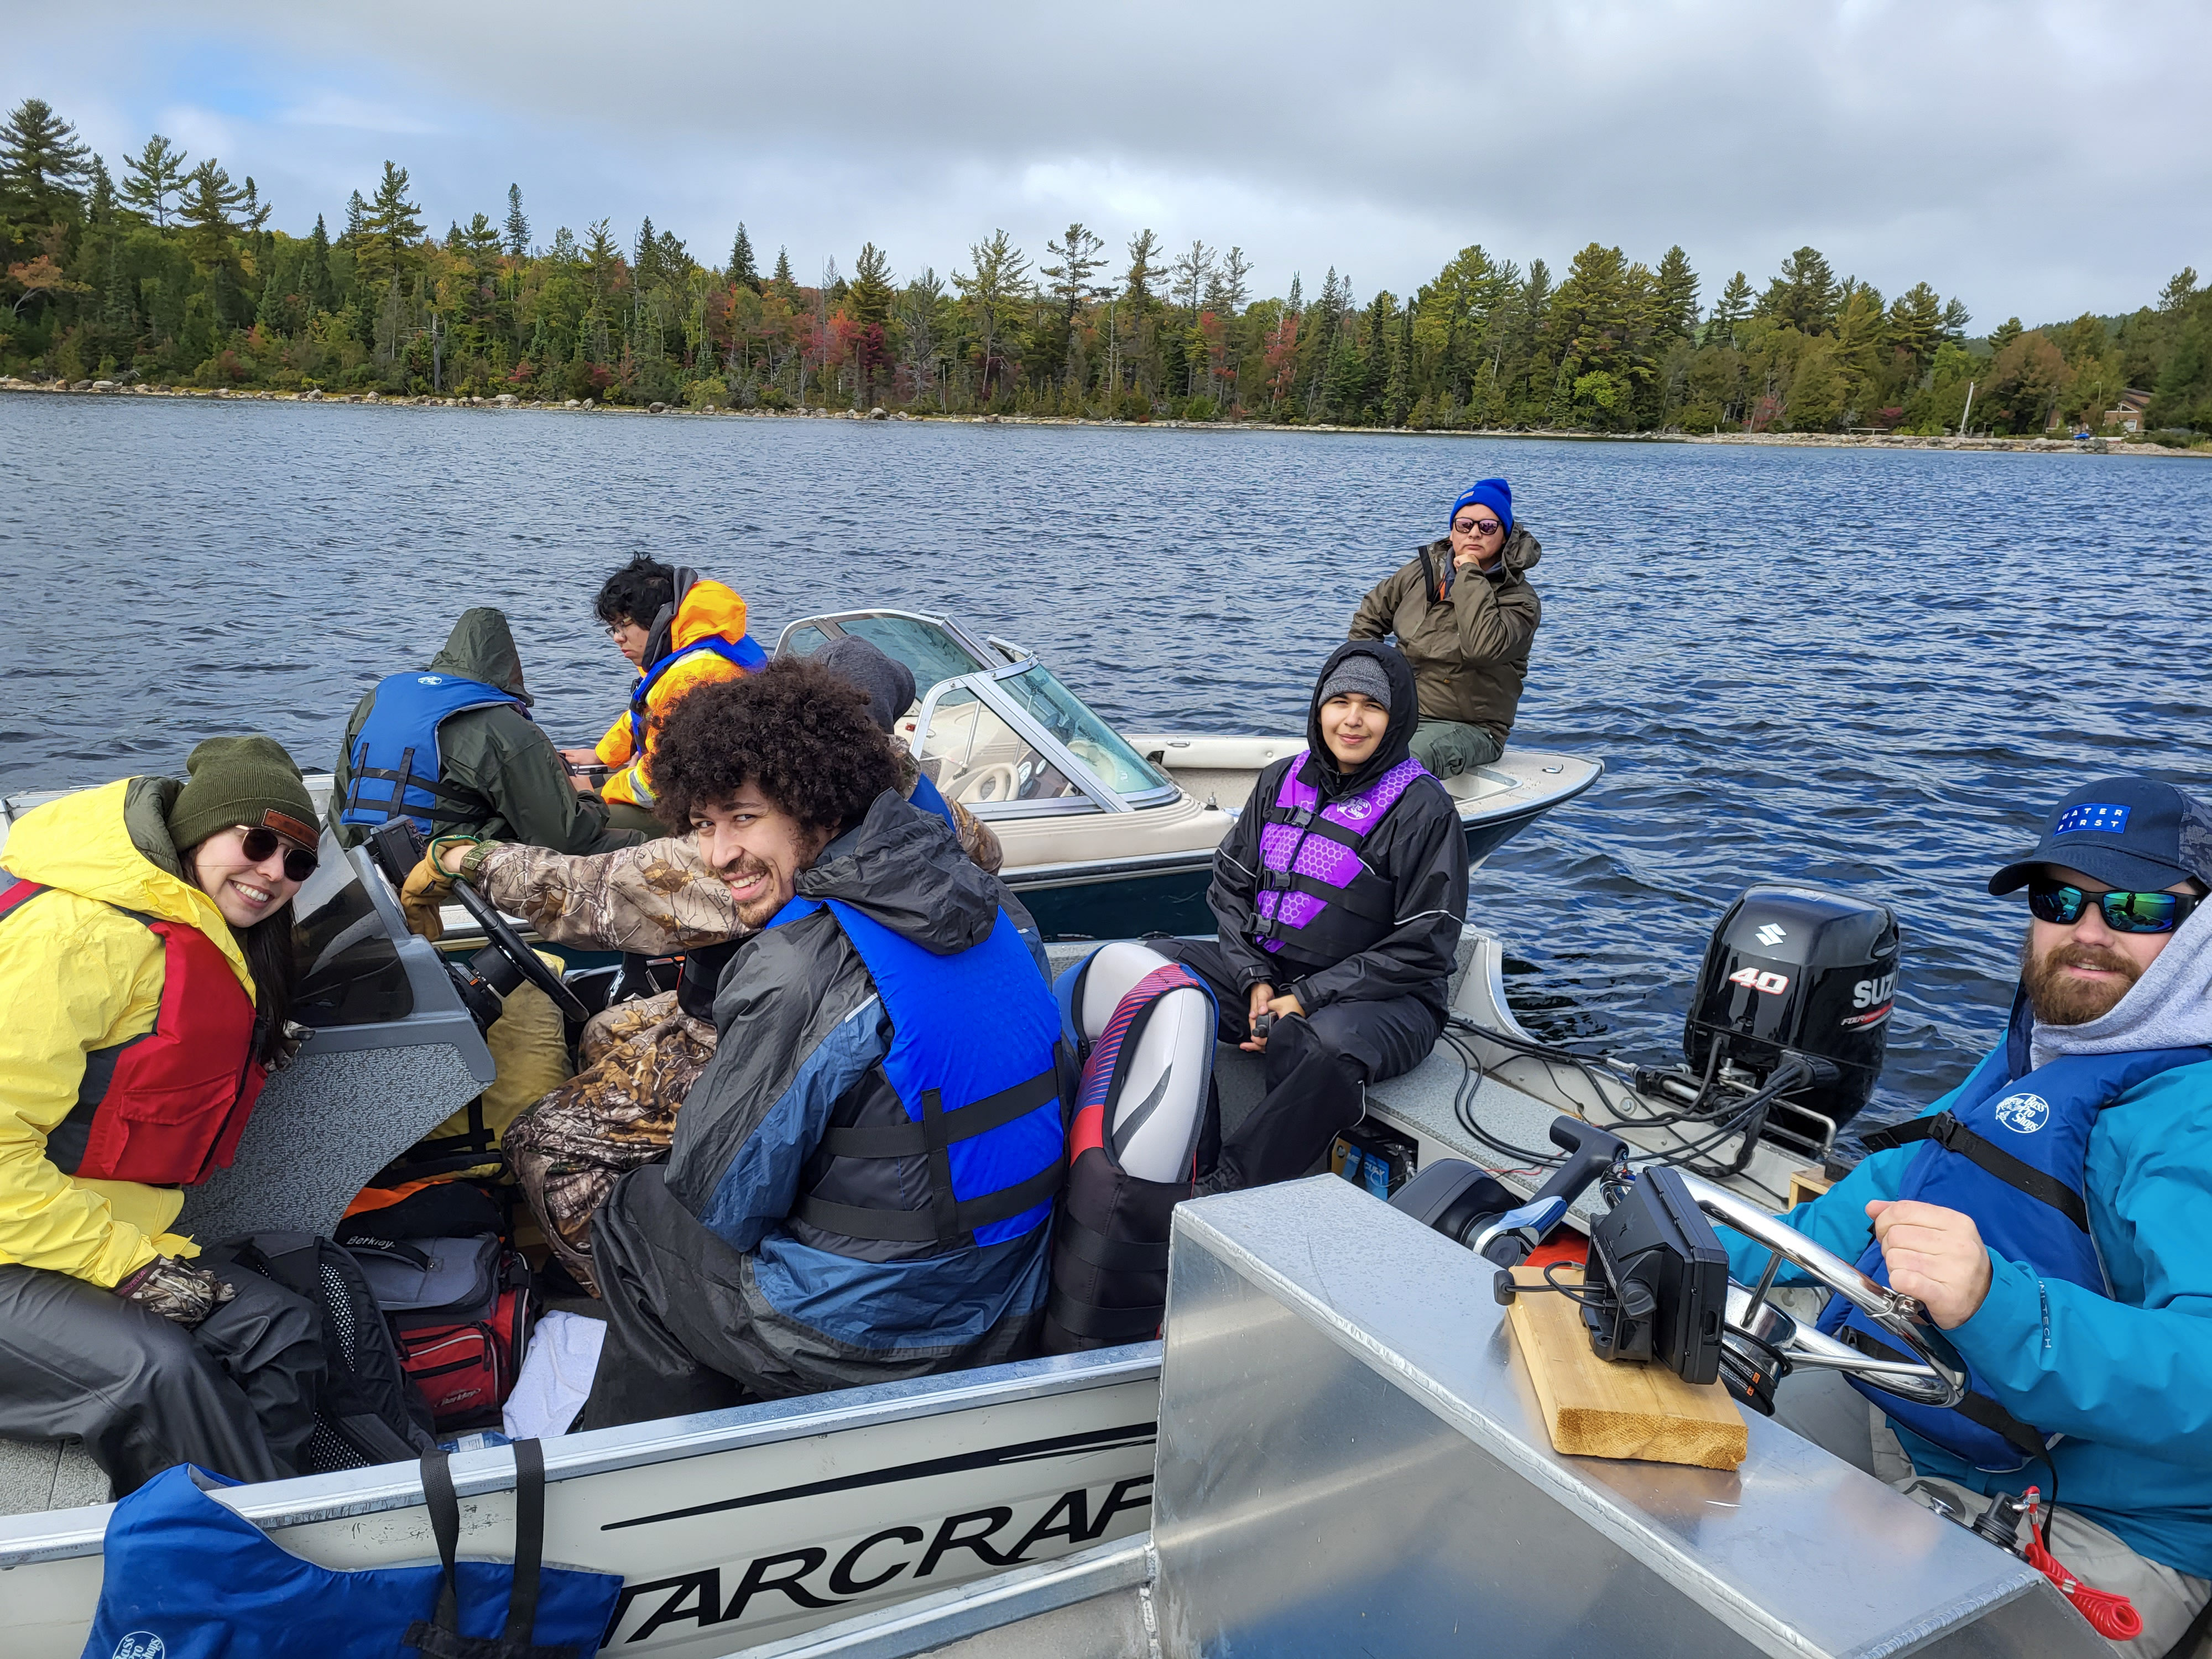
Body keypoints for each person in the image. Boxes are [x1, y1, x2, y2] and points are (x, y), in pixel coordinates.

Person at [1735, 776, 2212, 1657]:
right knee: (1674, 1493)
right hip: (1915, 1416)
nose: (2090, 932)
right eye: (2059, 898)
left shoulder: (2193, 1116)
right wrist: (1712, 1241)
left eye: (2140, 908)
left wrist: (2000, 1304)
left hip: (2102, 1516)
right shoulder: (2049, 1041)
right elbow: (1903, 1178)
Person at [400, 638, 1004, 1293]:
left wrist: (463, 859)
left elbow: (595, 893)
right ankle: (646, 1193)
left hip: (789, 1031)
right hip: (853, 1009)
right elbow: (989, 852)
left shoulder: (791, 839)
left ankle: (637, 1301)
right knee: (606, 1031)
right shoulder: (927, 811)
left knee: (543, 1142)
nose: (722, 844)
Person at [575, 658, 1063, 1425]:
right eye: (705, 824)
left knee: (638, 1214)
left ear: (818, 806)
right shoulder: (988, 901)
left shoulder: (799, 966)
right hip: (1013, 1282)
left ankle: (633, 1462)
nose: (717, 856)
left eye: (743, 818)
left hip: (885, 1332)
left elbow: (720, 1199)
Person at [0, 738, 326, 1492]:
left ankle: (294, 1515)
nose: (275, 870)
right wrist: (133, 1270)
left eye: (298, 862)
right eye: (257, 841)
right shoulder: (76, 937)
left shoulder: (187, 928)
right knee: (163, 1374)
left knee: (280, 1331)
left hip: (67, 1237)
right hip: (29, 1246)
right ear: (194, 832)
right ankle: (249, 1574)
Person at [1155, 641, 1468, 1192]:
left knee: (1322, 1045)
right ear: (1318, 708)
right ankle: (1186, 1157)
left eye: (1371, 707)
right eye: (1339, 701)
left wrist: (1306, 998)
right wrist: (1254, 980)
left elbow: (1427, 943)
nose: (1351, 720)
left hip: (1388, 1002)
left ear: (1395, 719)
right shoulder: (1279, 779)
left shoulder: (1424, 809)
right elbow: (1229, 889)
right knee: (1154, 970)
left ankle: (1235, 1184)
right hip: (1272, 977)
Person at [331, 606, 640, 857]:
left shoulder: (377, 698)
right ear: (508, 668)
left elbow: (341, 797)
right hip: (445, 861)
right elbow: (566, 838)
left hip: (366, 851)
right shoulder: (506, 726)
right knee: (639, 842)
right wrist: (585, 794)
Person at [1348, 478, 1541, 779]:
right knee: (1336, 747)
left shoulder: (1520, 600)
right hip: (1400, 712)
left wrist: (1469, 573)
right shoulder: (1421, 572)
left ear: (1504, 536)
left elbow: (1483, 648)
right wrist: (1368, 683)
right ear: (1453, 531)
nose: (1474, 533)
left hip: (1471, 727)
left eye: (1488, 527)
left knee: (1400, 763)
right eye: (1465, 524)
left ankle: (1371, 821)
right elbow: (1370, 616)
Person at [566, 555, 766, 836]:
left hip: (704, 806)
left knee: (577, 824)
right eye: (614, 628)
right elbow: (650, 714)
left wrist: (594, 796)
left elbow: (655, 786)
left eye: (625, 624)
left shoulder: (693, 677)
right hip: (695, 789)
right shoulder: (691, 654)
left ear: (659, 619)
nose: (617, 638)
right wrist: (602, 756)